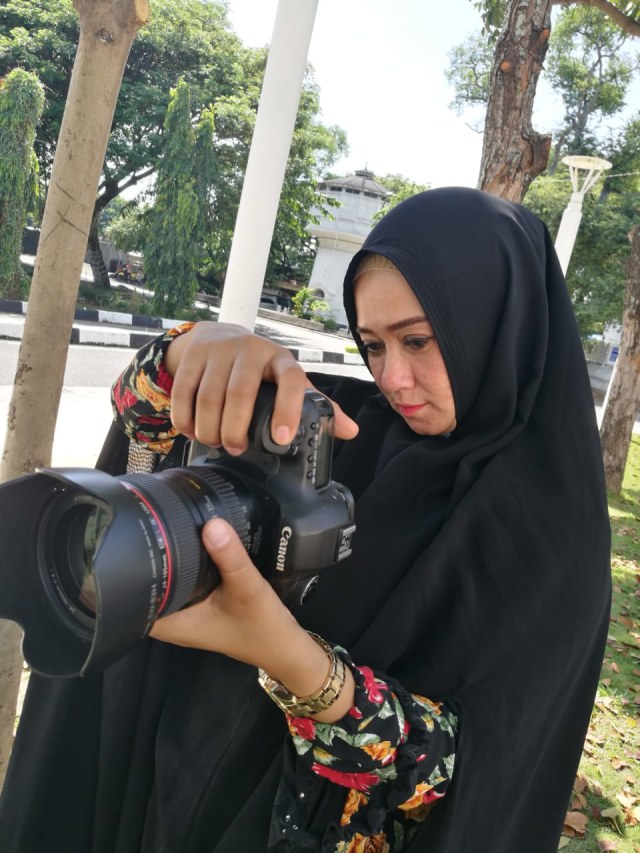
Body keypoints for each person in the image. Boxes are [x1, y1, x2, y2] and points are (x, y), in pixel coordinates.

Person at [0, 188, 611, 852]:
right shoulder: (334, 420)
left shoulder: (555, 543)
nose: (393, 378)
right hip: (157, 787)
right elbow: (141, 424)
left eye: (417, 340)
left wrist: (286, 655)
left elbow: (466, 778)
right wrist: (184, 354)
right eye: (373, 344)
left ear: (499, 324)